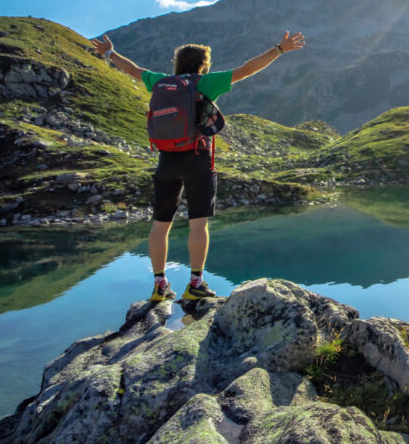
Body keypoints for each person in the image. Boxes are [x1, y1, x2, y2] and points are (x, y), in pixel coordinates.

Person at [91, 31, 306, 302]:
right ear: (203, 64)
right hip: (198, 159)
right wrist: (279, 49)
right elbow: (246, 69)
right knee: (198, 224)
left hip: (166, 160)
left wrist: (110, 53)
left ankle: (159, 286)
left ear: (177, 62)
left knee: (160, 225)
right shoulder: (206, 82)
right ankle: (195, 284)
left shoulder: (160, 82)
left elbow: (133, 69)